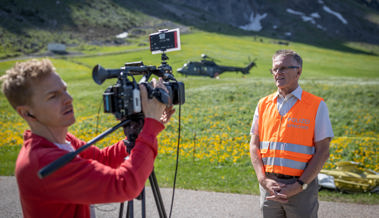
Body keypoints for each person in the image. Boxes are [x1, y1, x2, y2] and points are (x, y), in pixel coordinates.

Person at [0, 58, 175, 218]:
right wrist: (150, 129)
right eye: (53, 96)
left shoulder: (59, 142)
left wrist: (141, 131)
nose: (68, 99)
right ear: (26, 113)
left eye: (65, 90)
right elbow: (124, 185)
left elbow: (103, 159)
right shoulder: (44, 161)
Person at [249, 49, 333, 217]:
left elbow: (323, 151)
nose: (278, 73)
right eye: (275, 69)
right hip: (269, 187)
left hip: (301, 188)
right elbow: (254, 145)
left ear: (298, 71)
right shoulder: (263, 104)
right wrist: (263, 179)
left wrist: (299, 185)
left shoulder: (316, 105)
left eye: (283, 68)